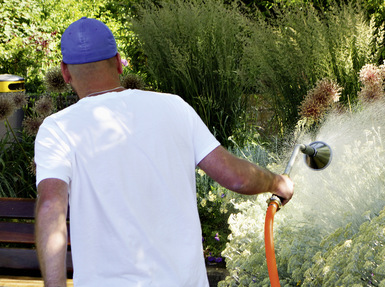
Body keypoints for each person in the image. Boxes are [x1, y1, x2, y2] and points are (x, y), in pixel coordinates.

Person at [35, 17, 294, 287]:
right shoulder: (174, 108)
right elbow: (235, 177)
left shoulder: (58, 128)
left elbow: (51, 205)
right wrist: (278, 182)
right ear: (117, 62)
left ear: (65, 73)